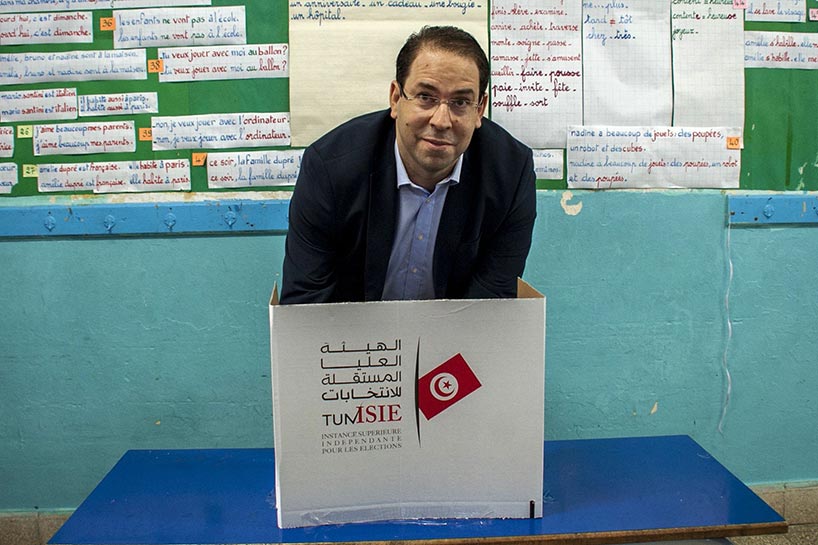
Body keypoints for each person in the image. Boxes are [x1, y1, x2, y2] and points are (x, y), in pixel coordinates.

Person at [280, 25, 536, 304]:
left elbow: (491, 303)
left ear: (480, 109)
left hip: (457, 330)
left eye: (461, 102)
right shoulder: (330, 169)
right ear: (395, 98)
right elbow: (306, 302)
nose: (441, 121)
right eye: (425, 97)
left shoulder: (511, 175)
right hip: (347, 329)